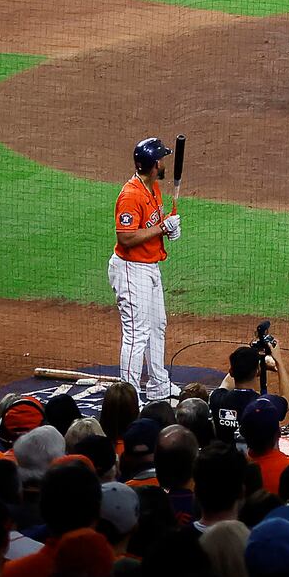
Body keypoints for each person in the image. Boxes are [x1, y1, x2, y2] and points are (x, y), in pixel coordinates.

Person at [111, 136, 179, 400]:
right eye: (161, 160)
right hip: (131, 269)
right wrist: (162, 228)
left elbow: (151, 225)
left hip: (149, 266)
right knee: (137, 334)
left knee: (157, 325)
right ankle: (127, 398)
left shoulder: (153, 187)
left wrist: (168, 229)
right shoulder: (130, 196)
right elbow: (125, 237)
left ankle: (158, 385)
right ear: (153, 165)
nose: (163, 164)